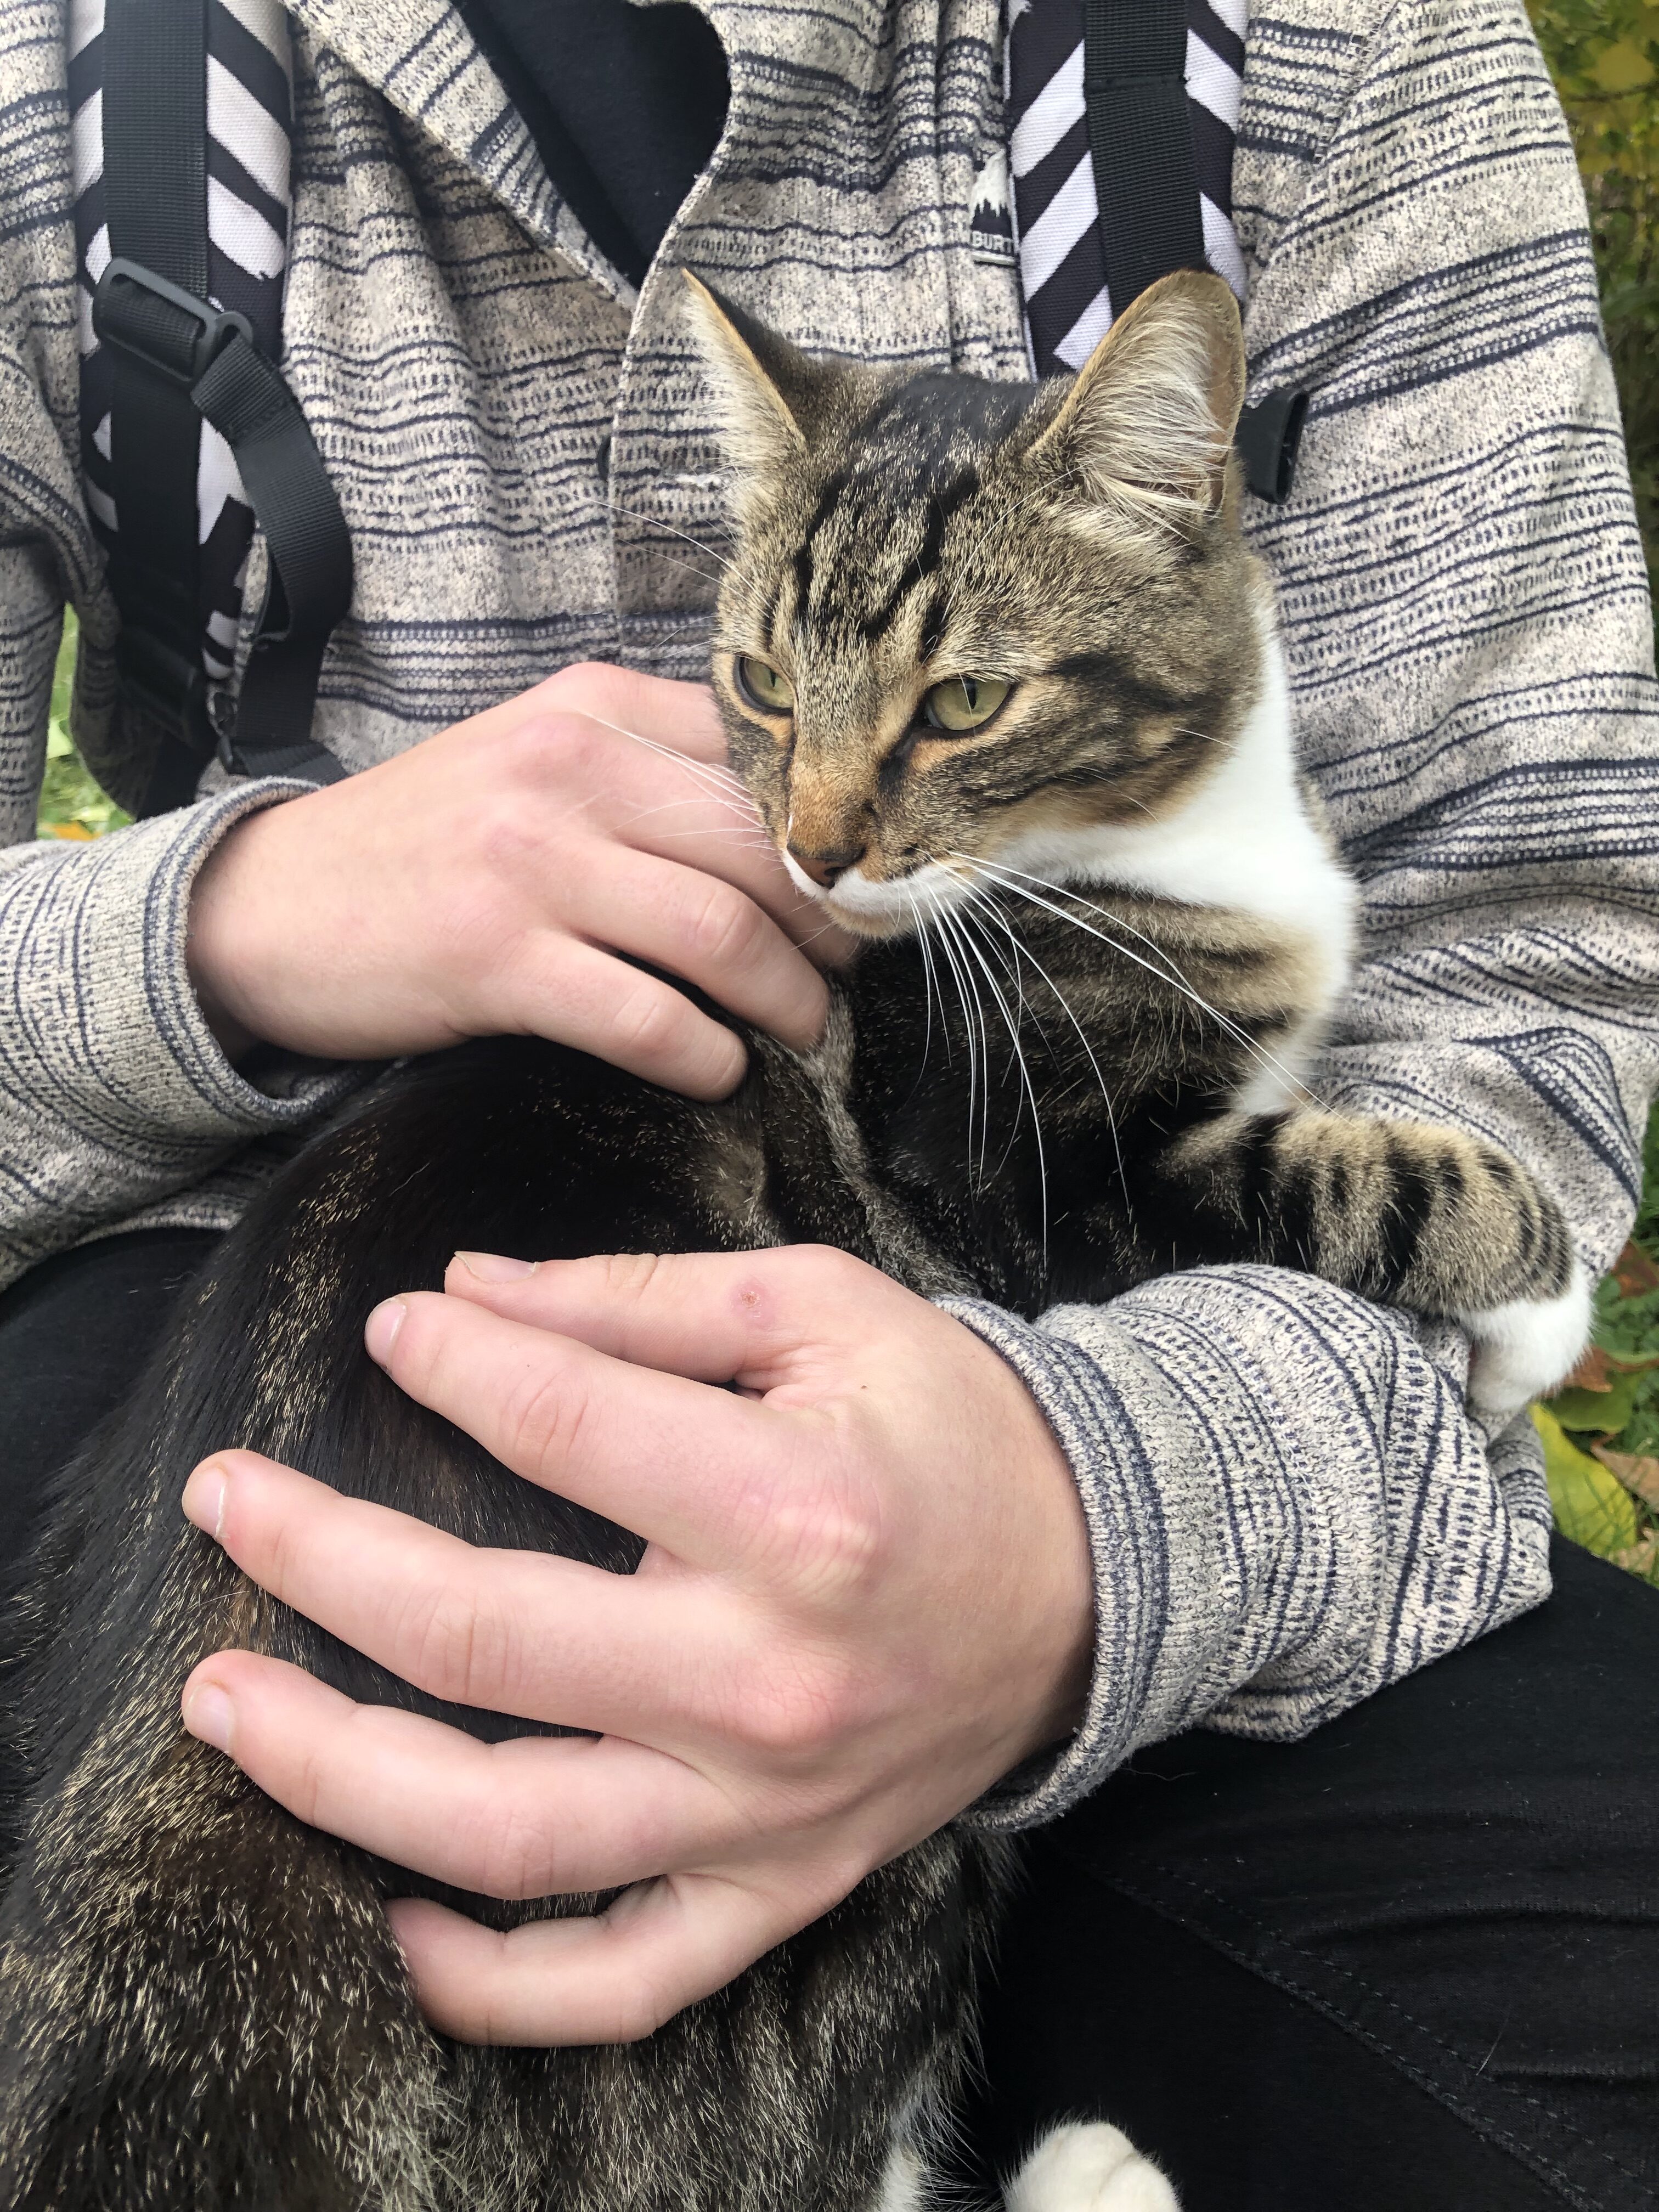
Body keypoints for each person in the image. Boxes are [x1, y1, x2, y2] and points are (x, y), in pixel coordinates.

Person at [1, 0, 1656, 2204]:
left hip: (1181, 1386)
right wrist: (216, 925)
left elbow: (1534, 990)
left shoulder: (1346, 49)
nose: (824, 826)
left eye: (945, 710)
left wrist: (1106, 1532)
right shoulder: (54, 85)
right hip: (247, 1293)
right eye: (780, 699)